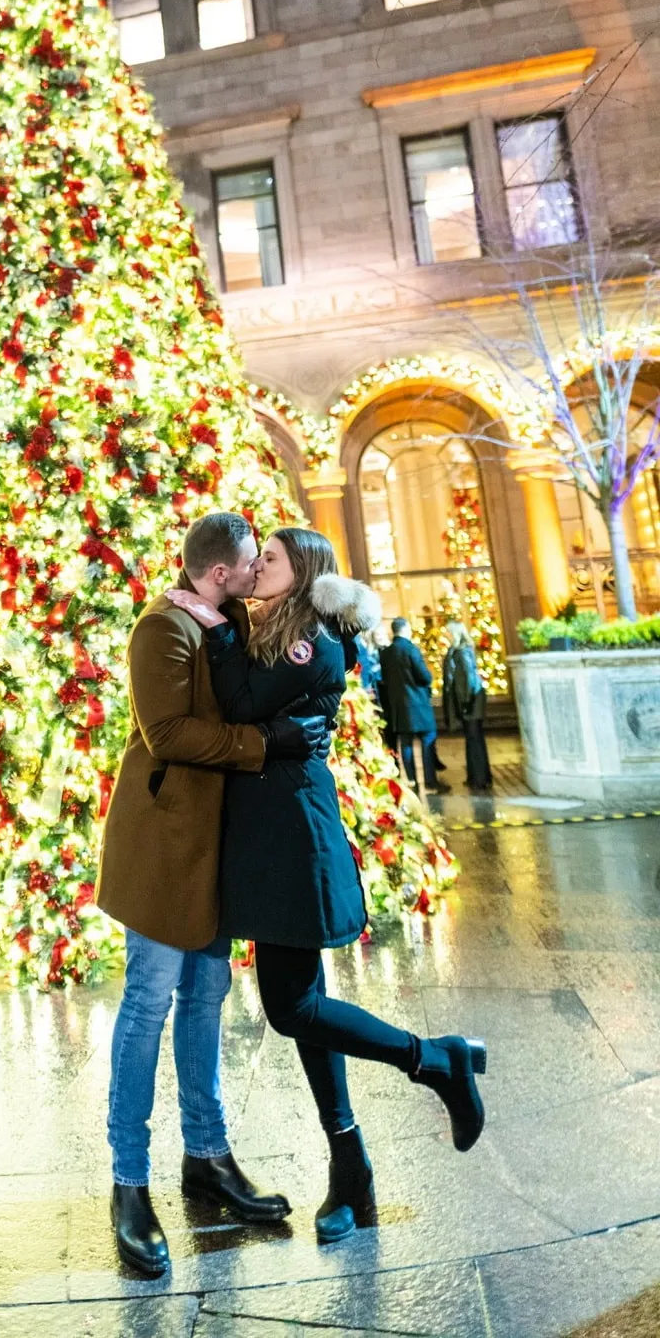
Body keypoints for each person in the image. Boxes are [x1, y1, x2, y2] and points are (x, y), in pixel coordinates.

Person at [168, 528, 488, 1244]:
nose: (257, 565)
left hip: (292, 836)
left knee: (293, 1008)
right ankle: (352, 1172)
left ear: (304, 571)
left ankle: (435, 1059)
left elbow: (239, 702)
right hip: (269, 833)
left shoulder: (308, 638)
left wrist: (215, 627)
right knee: (304, 1005)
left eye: (271, 558)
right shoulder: (278, 629)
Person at [96, 511, 333, 1277]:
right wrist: (265, 744)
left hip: (216, 852)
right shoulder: (161, 628)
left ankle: (207, 1156)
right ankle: (129, 1182)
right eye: (250, 562)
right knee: (149, 1001)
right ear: (221, 571)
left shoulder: (231, 622)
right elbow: (167, 733)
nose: (257, 572)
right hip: (165, 848)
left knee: (205, 998)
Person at [379, 618, 439, 791]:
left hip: (398, 704)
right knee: (428, 738)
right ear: (405, 629)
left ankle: (411, 780)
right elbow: (424, 676)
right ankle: (429, 781)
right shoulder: (411, 649)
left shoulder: (386, 653)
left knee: (405, 742)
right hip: (418, 703)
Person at [441, 622, 493, 792]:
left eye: (448, 632)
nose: (446, 635)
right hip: (470, 702)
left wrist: (465, 703)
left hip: (470, 703)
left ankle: (479, 778)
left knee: (474, 739)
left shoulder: (461, 652)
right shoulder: (461, 651)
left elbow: (467, 679)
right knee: (474, 739)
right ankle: (478, 777)